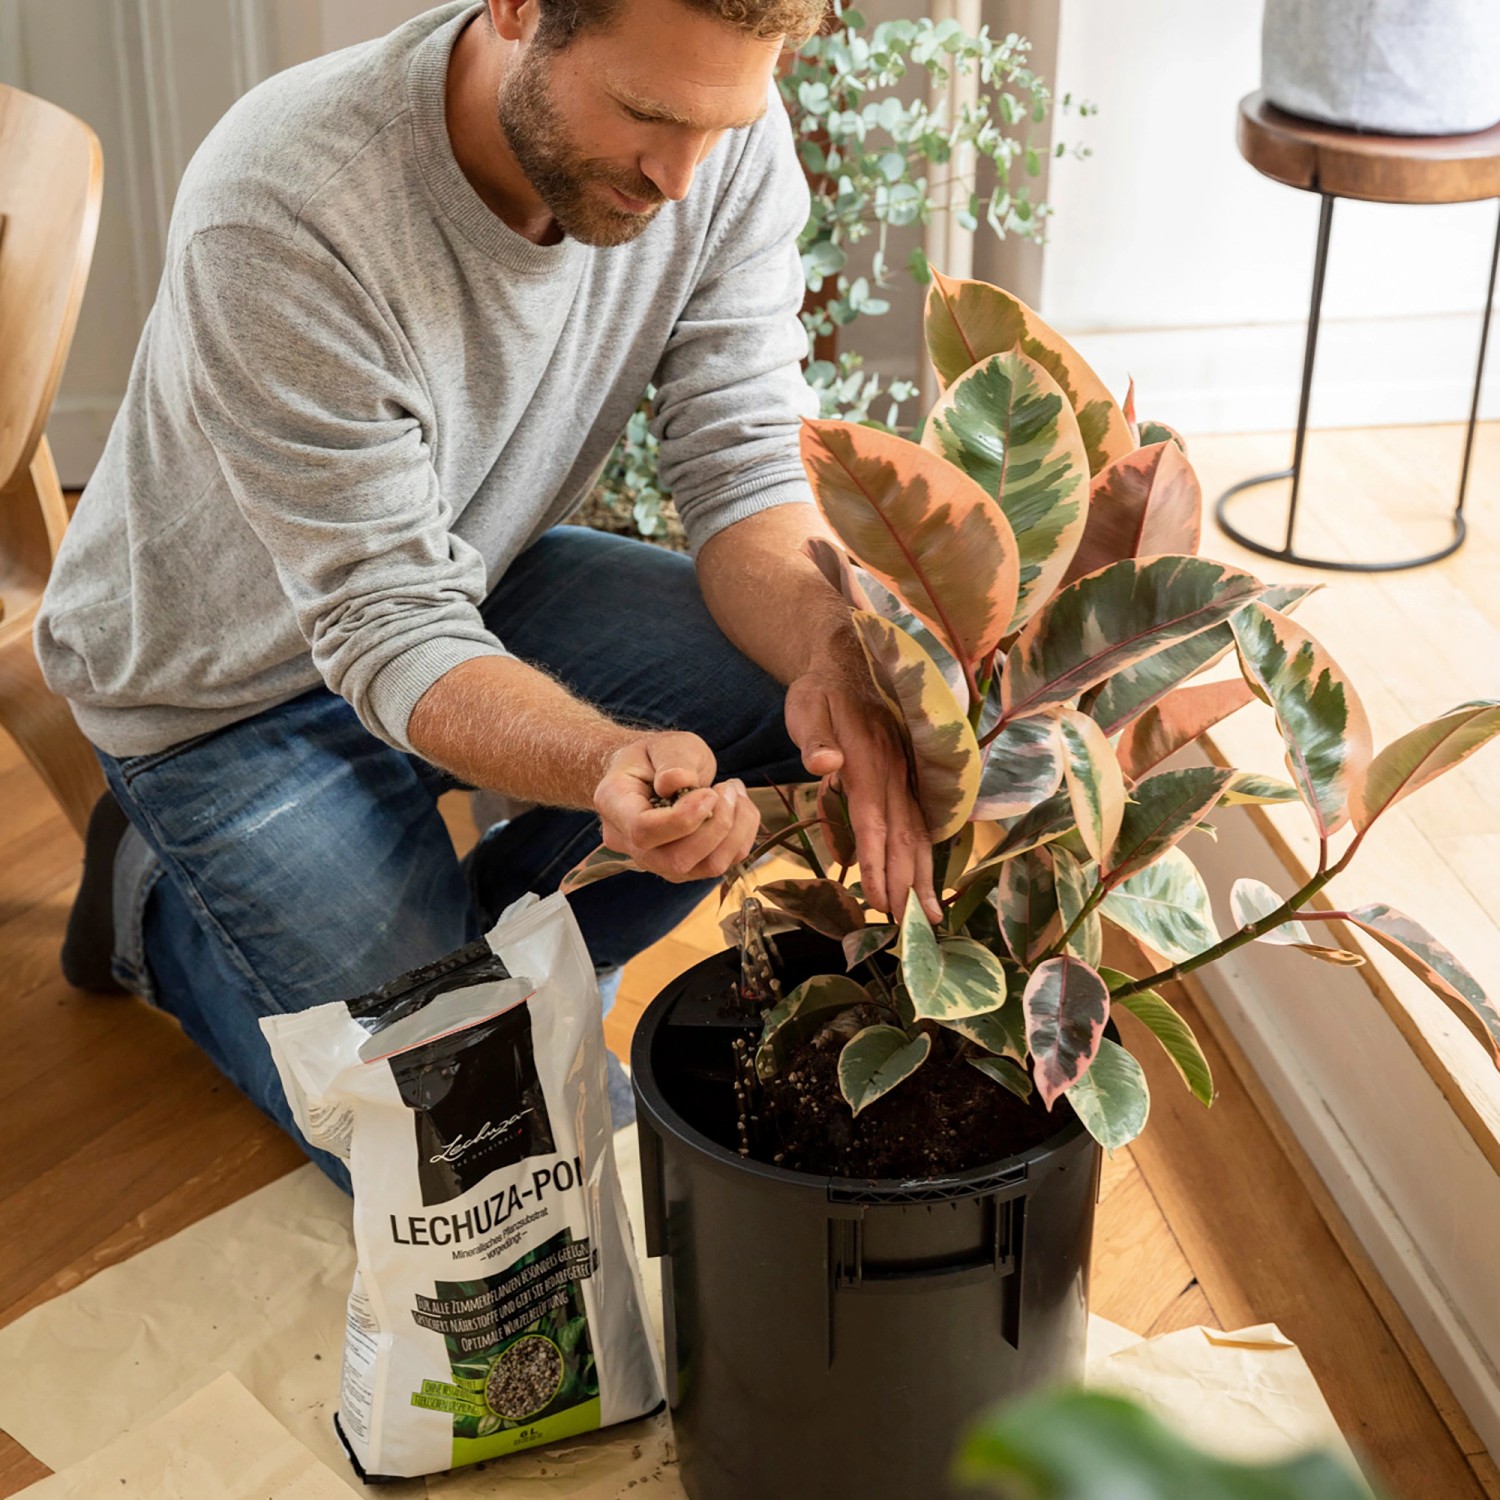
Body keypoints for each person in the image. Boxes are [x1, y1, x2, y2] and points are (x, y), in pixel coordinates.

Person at [36, 0, 939, 1185]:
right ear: (519, 10)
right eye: (647, 115)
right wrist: (600, 763)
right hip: (227, 692)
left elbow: (743, 463)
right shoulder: (288, 200)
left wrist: (834, 648)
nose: (680, 177)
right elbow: (381, 620)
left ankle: (496, 968)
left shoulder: (719, 139)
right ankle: (153, 905)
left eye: (720, 124)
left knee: (797, 701)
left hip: (472, 578)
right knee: (497, 1158)